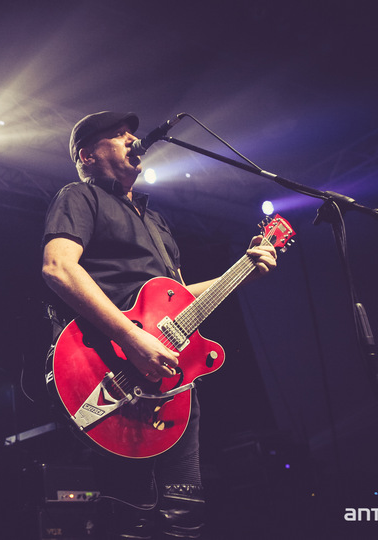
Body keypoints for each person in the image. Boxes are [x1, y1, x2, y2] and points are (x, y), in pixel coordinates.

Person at [41, 111, 277, 539]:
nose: (132, 139)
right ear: (87, 155)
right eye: (118, 135)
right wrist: (131, 337)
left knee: (185, 514)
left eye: (131, 133)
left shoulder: (157, 222)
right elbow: (58, 267)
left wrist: (241, 272)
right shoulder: (80, 196)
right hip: (111, 368)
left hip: (170, 380)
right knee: (131, 515)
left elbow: (180, 296)